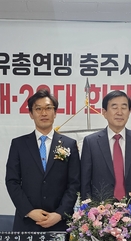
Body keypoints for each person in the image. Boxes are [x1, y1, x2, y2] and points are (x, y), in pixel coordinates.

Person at [5, 89, 80, 232]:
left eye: (48, 108)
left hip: (59, 223)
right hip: (27, 222)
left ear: (55, 113)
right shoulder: (19, 144)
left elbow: (74, 184)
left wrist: (60, 214)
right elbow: (12, 181)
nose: (43, 113)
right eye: (38, 109)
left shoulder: (69, 144)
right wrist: (29, 211)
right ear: (31, 114)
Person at [80, 90, 131, 214]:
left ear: (129, 111)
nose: (120, 112)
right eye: (114, 107)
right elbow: (85, 184)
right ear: (104, 112)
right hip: (100, 215)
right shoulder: (91, 142)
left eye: (124, 107)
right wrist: (88, 214)